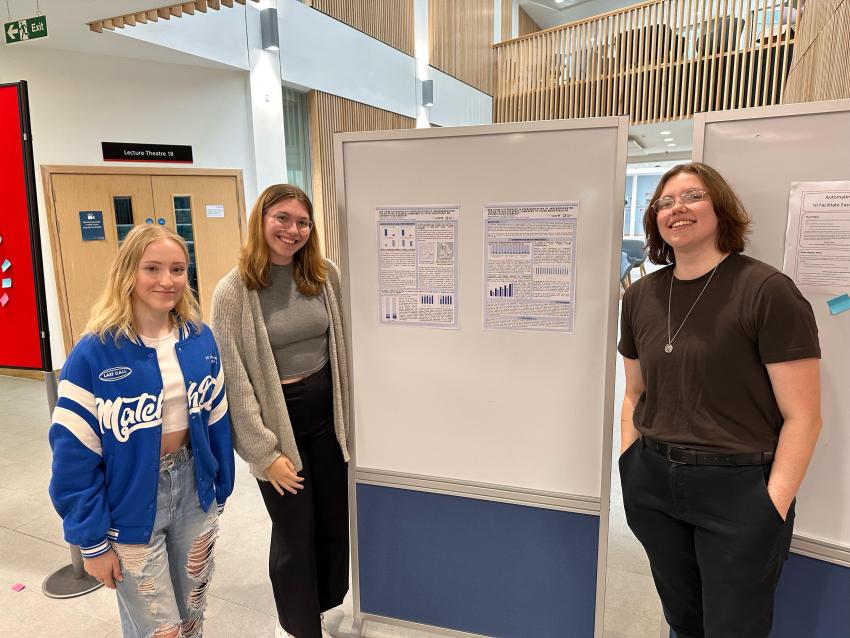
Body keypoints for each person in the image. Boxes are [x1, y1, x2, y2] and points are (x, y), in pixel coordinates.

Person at [618, 162, 821, 638]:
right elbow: (634, 392)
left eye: (692, 197)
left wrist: (772, 504)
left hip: (739, 488)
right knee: (684, 621)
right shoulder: (641, 296)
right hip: (654, 482)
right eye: (665, 202)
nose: (677, 209)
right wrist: (630, 463)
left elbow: (804, 416)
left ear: (720, 209)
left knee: (735, 628)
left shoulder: (766, 291)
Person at [49, 225, 235, 638]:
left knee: (191, 615)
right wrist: (92, 542)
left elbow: (217, 420)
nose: (167, 281)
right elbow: (72, 456)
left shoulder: (200, 338)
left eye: (177, 269)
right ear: (128, 272)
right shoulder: (94, 352)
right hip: (129, 502)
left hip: (193, 491)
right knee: (158, 629)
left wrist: (219, 487)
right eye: (152, 268)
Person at [211, 184, 350, 638]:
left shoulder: (323, 275)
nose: (292, 230)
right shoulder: (234, 291)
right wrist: (265, 454)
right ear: (262, 220)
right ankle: (297, 626)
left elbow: (344, 347)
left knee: (334, 521)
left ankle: (327, 607)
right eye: (282, 218)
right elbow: (235, 379)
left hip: (329, 412)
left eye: (302, 222)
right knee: (295, 532)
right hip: (278, 418)